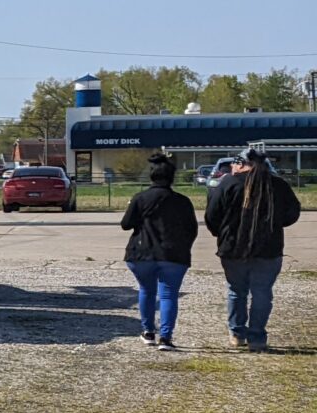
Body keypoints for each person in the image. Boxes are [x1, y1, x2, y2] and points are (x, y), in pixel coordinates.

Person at [204, 145, 300, 351]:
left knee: (236, 291)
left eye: (235, 163)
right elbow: (292, 213)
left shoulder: (228, 183)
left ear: (242, 164)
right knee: (262, 292)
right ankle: (257, 337)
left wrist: (222, 233)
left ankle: (237, 333)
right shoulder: (278, 185)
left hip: (233, 248)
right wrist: (274, 225)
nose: (232, 166)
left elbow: (212, 215)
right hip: (269, 248)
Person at [118, 153, 196, 350]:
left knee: (147, 291)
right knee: (169, 295)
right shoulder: (183, 201)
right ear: (172, 177)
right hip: (173, 254)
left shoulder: (140, 198)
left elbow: (126, 225)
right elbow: (192, 230)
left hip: (143, 253)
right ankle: (166, 338)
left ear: (151, 176)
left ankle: (148, 332)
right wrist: (184, 246)